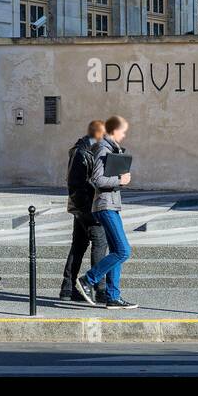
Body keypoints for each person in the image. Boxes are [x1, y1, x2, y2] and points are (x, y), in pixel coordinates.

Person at [75, 115, 137, 309]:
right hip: (105, 205)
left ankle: (112, 296)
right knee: (123, 250)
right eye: (123, 131)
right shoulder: (103, 148)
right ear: (113, 131)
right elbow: (98, 180)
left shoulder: (111, 149)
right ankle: (87, 280)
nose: (124, 135)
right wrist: (120, 180)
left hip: (111, 205)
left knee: (116, 250)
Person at [60, 120, 109, 304]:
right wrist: (89, 211)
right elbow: (76, 185)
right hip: (87, 208)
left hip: (82, 207)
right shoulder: (82, 152)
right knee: (100, 243)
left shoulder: (84, 150)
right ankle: (99, 288)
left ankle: (67, 288)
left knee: (79, 246)